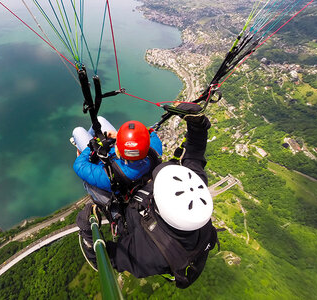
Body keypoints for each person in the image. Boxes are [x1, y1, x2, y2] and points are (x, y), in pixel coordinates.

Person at [76, 103, 218, 289]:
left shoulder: (150, 253)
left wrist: (86, 230)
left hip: (125, 207)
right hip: (133, 188)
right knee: (93, 128)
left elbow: (103, 261)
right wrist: (197, 125)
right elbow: (194, 155)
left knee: (82, 134)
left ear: (158, 205)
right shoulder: (191, 187)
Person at [72, 116, 162, 207]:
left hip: (100, 158)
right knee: (99, 120)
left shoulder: (109, 176)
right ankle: (87, 140)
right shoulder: (153, 151)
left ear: (118, 151)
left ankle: (82, 144)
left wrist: (92, 145)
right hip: (118, 154)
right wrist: (120, 136)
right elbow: (150, 132)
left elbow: (79, 164)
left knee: (77, 131)